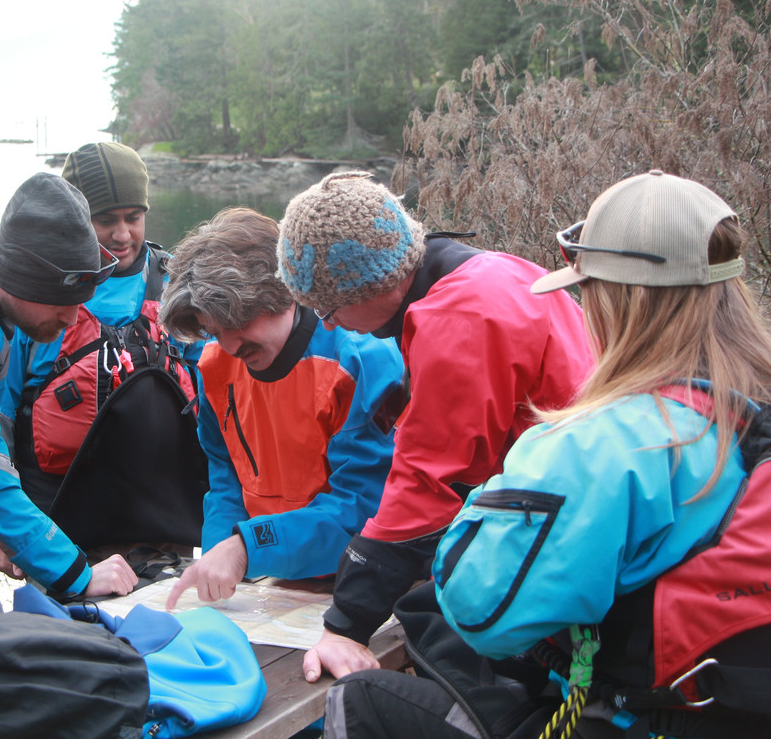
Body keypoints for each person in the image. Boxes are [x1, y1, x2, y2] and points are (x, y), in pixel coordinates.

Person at [324, 170, 771, 738]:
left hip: (647, 720)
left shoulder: (599, 444)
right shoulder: (747, 413)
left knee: (364, 695)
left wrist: (491, 494)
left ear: (615, 302)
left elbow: (482, 613)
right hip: (736, 708)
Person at [274, 171, 593, 681]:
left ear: (373, 282)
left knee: (431, 632)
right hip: (587, 510)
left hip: (572, 543)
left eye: (328, 308)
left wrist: (344, 626)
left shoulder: (456, 316)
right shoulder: (491, 270)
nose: (328, 325)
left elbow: (429, 487)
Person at [157, 207, 406, 608]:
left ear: (282, 293)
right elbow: (225, 474)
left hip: (367, 574)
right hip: (273, 578)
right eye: (214, 330)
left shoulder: (359, 361)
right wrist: (221, 549)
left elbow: (363, 504)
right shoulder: (216, 365)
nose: (230, 347)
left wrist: (246, 547)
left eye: (238, 323)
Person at [0, 172, 138, 603]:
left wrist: (10, 533)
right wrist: (77, 573)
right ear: (22, 280)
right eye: (64, 301)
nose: (74, 319)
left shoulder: (4, 304)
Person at [8, 142, 202, 557]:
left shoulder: (177, 288)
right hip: (59, 526)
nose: (122, 234)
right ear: (77, 220)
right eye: (105, 220)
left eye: (134, 218)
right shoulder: (36, 298)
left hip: (170, 524)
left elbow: (218, 398)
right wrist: (8, 533)